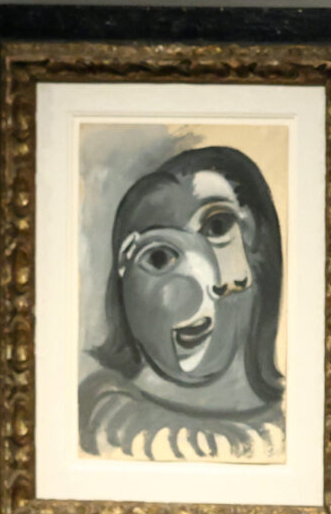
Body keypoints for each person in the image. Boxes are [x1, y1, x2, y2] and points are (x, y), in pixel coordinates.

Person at [79, 144, 287, 462]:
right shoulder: (98, 417)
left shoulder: (301, 431)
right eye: (159, 257)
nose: (192, 278)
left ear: (255, 239)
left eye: (217, 228)